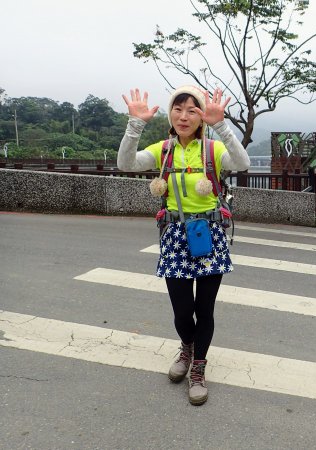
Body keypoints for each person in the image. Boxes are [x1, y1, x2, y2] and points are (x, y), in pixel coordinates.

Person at [118, 86, 250, 405]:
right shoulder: (164, 150)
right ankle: (187, 347)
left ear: (201, 115)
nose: (184, 116)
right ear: (170, 113)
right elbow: (126, 163)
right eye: (178, 109)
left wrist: (221, 125)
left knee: (204, 309)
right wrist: (135, 124)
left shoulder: (213, 150)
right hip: (175, 234)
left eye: (192, 109)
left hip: (208, 234)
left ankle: (198, 368)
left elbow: (242, 162)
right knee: (182, 311)